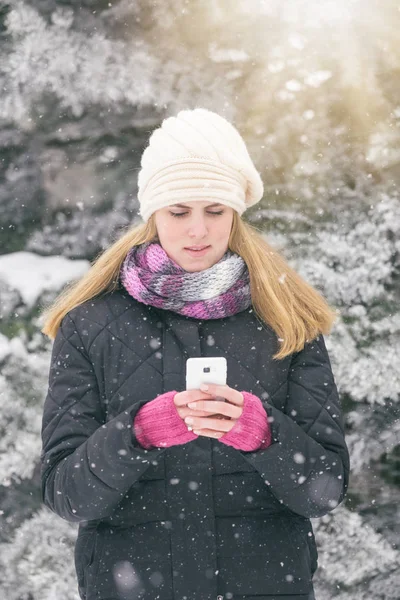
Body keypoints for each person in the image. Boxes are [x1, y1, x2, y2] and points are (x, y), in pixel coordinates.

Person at [40, 108, 350, 600]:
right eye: (179, 212)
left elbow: (326, 489)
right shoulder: (89, 325)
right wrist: (137, 433)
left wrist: (265, 435)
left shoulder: (289, 321)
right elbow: (65, 493)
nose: (198, 231)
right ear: (153, 215)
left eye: (215, 211)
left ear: (235, 213)